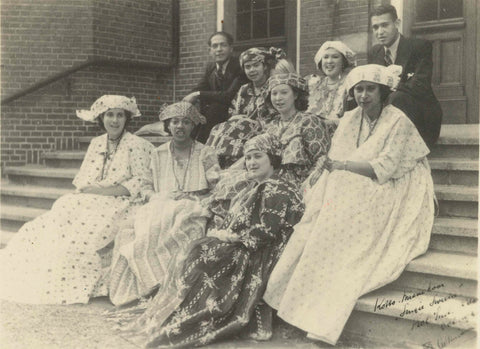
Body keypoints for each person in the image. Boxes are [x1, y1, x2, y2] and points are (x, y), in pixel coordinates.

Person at [263, 64, 435, 346]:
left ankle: (325, 315)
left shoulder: (398, 121)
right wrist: (336, 172)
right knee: (319, 213)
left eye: (370, 89)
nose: (364, 95)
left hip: (395, 180)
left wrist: (343, 167)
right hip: (353, 176)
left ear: (383, 92)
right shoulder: (351, 118)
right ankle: (296, 306)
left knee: (350, 218)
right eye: (359, 89)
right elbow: (337, 156)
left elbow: (387, 168)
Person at [109, 133, 304, 348]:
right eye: (248, 158)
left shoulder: (277, 188)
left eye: (257, 156)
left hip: (260, 253)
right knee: (195, 249)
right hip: (247, 244)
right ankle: (173, 310)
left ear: (273, 158)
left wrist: (229, 238)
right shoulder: (260, 185)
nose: (251, 162)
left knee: (200, 253)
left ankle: (188, 311)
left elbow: (267, 232)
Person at [0, 95, 154, 305]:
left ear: (127, 118)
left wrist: (104, 191)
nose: (115, 120)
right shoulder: (96, 143)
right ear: (101, 118)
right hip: (92, 197)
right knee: (64, 206)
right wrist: (89, 190)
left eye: (120, 115)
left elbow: (141, 181)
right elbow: (84, 178)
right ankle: (50, 265)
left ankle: (76, 270)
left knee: (89, 226)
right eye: (109, 115)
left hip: (121, 199)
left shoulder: (137, 144)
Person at [107, 101, 221, 306]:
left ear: (193, 126)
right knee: (131, 233)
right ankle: (146, 284)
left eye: (186, 122)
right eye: (175, 122)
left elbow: (216, 187)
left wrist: (196, 200)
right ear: (167, 126)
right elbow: (146, 186)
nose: (180, 127)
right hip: (160, 205)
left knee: (176, 226)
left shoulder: (205, 152)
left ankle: (162, 286)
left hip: (193, 208)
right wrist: (158, 198)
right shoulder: (157, 153)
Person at [368, 4, 442, 148]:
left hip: (421, 115)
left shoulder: (419, 47)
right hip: (388, 115)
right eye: (375, 27)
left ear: (397, 24)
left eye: (384, 25)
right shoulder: (375, 52)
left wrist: (391, 83)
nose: (380, 32)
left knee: (397, 98)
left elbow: (419, 85)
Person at [206, 47, 291, 168]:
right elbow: (233, 111)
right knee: (217, 128)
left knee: (239, 129)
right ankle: (213, 165)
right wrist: (237, 118)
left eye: (256, 65)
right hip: (241, 130)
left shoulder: (274, 88)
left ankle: (231, 169)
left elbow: (278, 116)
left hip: (266, 132)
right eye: (248, 67)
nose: (252, 70)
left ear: (265, 66)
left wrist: (252, 123)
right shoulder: (244, 89)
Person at [264, 72, 331, 186]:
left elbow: (321, 160)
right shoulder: (270, 126)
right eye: (274, 93)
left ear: (295, 95)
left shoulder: (309, 121)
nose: (278, 98)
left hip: (303, 183)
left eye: (284, 92)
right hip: (270, 182)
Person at [182, 31, 248, 143]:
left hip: (235, 112)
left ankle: (200, 145)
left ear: (231, 49)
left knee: (215, 108)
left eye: (223, 45)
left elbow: (228, 96)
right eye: (215, 46)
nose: (219, 49)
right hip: (213, 115)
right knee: (188, 110)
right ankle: (188, 143)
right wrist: (186, 100)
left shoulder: (239, 67)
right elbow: (200, 87)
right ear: (210, 51)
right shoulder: (211, 67)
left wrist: (198, 95)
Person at [306, 40, 356, 121]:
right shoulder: (314, 84)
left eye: (335, 57)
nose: (329, 61)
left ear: (343, 61)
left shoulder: (350, 85)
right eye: (325, 57)